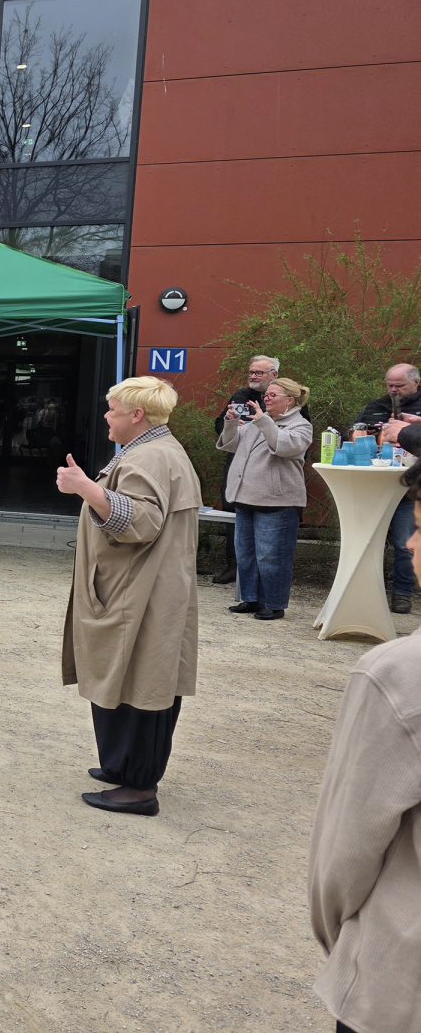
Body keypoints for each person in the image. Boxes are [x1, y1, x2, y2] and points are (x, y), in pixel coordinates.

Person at [308, 461, 421, 1033]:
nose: (408, 539)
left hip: (402, 979)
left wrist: (340, 936)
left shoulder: (398, 676)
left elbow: (345, 851)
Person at [55, 376, 200, 817]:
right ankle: (123, 767)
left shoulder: (152, 456)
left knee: (143, 683)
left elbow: (142, 521)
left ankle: (138, 787)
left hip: (142, 595)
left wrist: (87, 488)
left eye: (112, 409)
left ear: (137, 415)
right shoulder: (154, 451)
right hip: (141, 589)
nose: (105, 415)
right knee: (130, 679)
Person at [217, 377, 313, 621]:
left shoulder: (300, 425)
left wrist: (262, 421)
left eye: (272, 395)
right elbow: (231, 444)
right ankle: (251, 599)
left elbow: (283, 446)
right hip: (245, 497)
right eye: (266, 395)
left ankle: (274, 603)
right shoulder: (256, 422)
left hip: (277, 501)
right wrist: (230, 422)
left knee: (272, 557)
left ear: (289, 400)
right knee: (246, 553)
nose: (266, 399)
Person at [210, 356, 282, 584]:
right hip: (238, 464)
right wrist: (231, 423)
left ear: (274, 375)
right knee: (232, 515)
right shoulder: (241, 396)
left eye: (259, 373)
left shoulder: (285, 398)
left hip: (268, 467)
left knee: (264, 521)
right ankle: (234, 567)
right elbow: (219, 425)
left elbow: (297, 431)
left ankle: (261, 574)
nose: (253, 376)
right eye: (251, 372)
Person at [360, 363, 421, 614]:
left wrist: (410, 429)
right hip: (377, 485)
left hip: (408, 488)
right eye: (389, 385)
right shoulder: (377, 406)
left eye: (399, 386)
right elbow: (352, 432)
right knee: (368, 542)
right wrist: (371, 432)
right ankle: (367, 592)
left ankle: (402, 594)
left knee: (404, 544)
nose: (393, 390)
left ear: (416, 383)